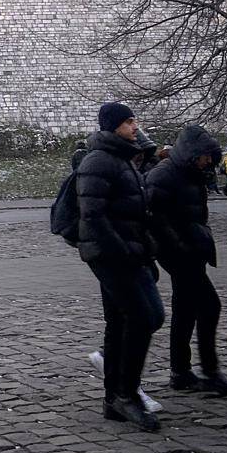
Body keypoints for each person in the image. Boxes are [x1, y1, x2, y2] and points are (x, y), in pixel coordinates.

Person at [76, 103, 165, 431]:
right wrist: (124, 250)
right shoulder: (99, 161)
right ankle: (127, 394)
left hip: (128, 252)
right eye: (129, 122)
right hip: (111, 256)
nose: (134, 126)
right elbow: (93, 215)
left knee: (118, 322)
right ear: (114, 126)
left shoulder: (124, 159)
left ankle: (114, 398)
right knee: (146, 317)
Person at [146, 126, 227, 397]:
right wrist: (179, 245)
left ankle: (180, 371)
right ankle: (210, 372)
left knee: (186, 308)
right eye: (205, 158)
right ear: (192, 154)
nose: (208, 163)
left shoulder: (193, 174)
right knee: (210, 305)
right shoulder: (165, 175)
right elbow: (156, 217)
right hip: (178, 253)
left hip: (191, 249)